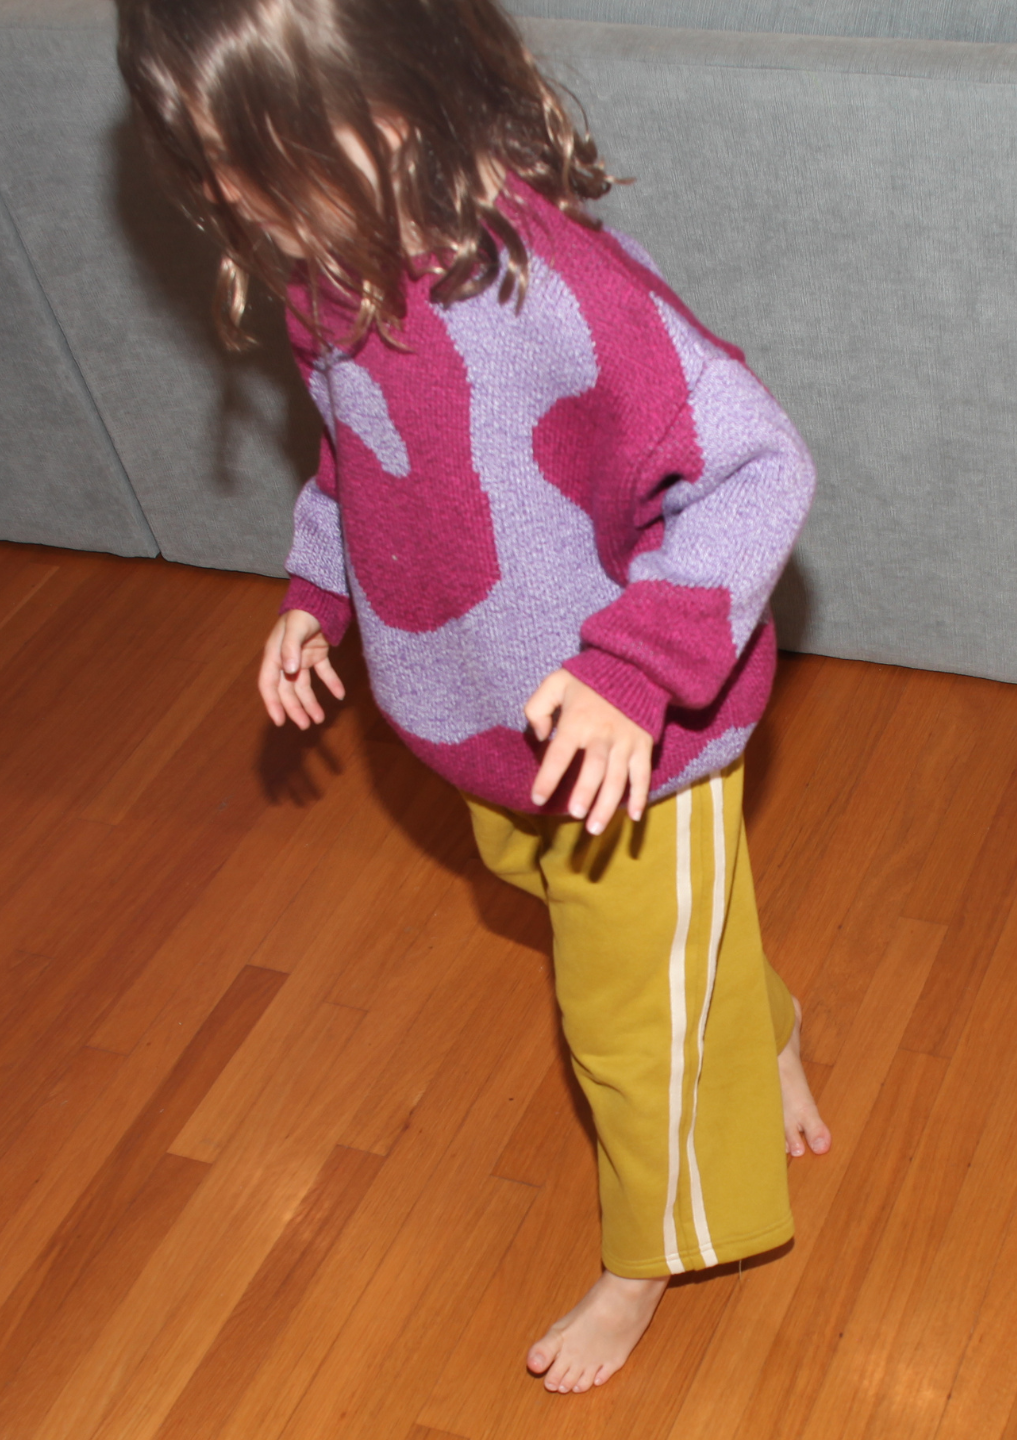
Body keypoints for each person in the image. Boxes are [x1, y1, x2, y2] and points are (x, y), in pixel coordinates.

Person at [117, 0, 831, 1395]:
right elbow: (360, 460)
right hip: (484, 719)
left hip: (641, 742)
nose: (233, 203)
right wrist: (315, 596)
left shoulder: (567, 293)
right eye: (207, 166)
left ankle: (653, 1256)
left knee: (625, 1035)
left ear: (393, 109)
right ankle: (769, 1020)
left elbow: (760, 465)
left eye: (254, 158)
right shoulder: (340, 270)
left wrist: (636, 675)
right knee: (572, 915)